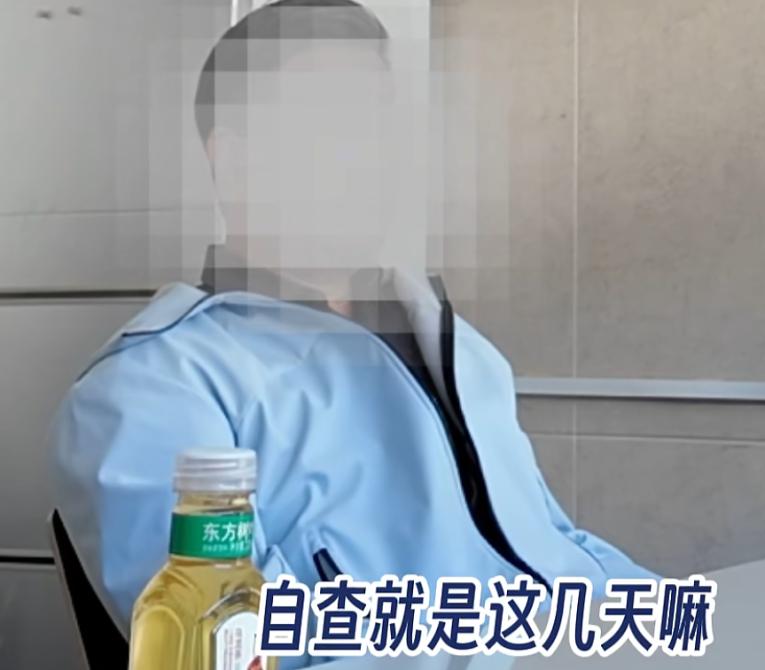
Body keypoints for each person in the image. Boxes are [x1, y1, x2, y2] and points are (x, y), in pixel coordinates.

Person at [50, 0, 656, 650]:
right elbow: (230, 647)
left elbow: (554, 546)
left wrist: (682, 632)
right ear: (235, 158)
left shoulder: (463, 351)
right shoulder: (155, 388)